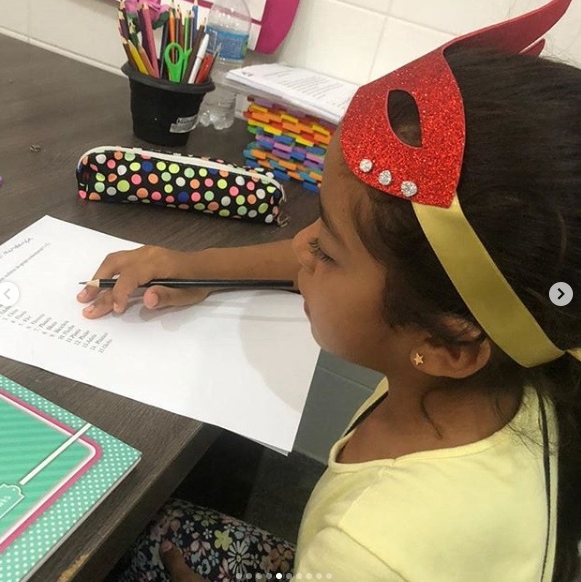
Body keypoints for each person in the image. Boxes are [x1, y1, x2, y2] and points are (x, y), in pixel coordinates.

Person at [78, 1, 581, 580]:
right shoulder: (529, 354)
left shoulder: (370, 549)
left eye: (327, 248)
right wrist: (193, 266)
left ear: (449, 344)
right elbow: (348, 259)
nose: (300, 246)